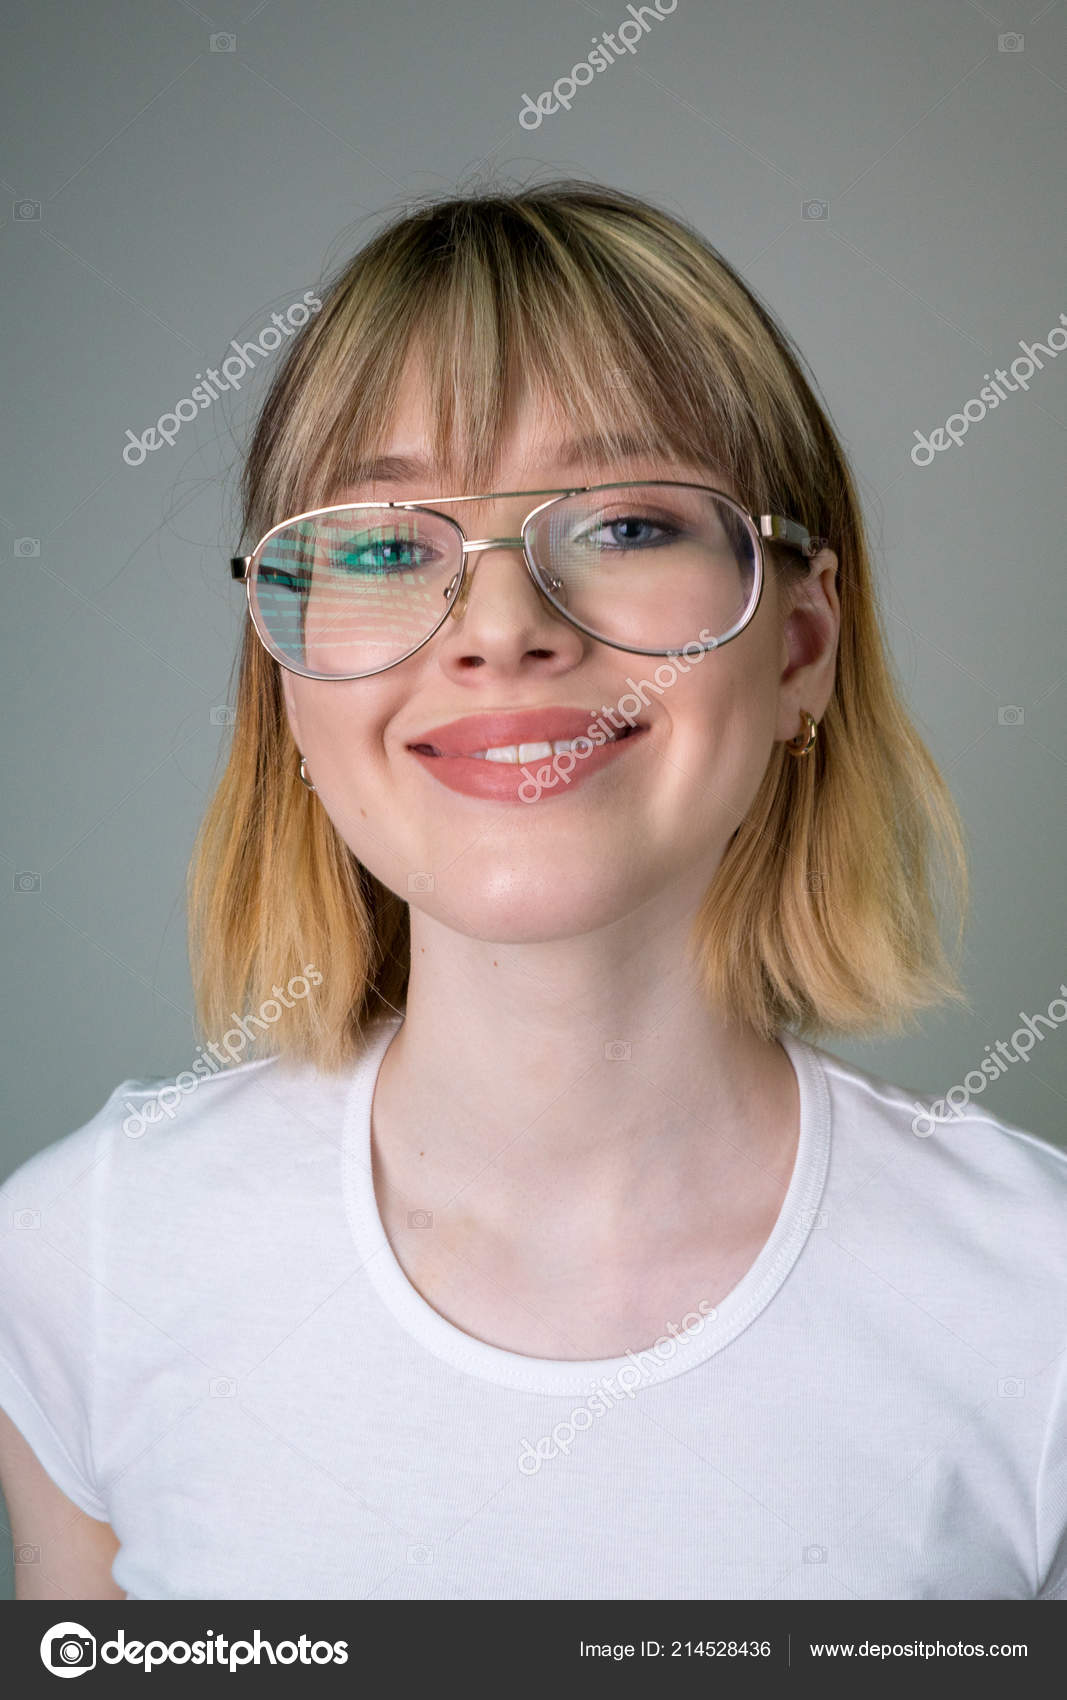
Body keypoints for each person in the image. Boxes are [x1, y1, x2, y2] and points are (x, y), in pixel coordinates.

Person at [1, 181, 1064, 1603]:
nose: (502, 629)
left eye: (623, 526)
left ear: (801, 647)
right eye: (385, 544)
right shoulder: (83, 1258)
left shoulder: (1039, 1306)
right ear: (286, 685)